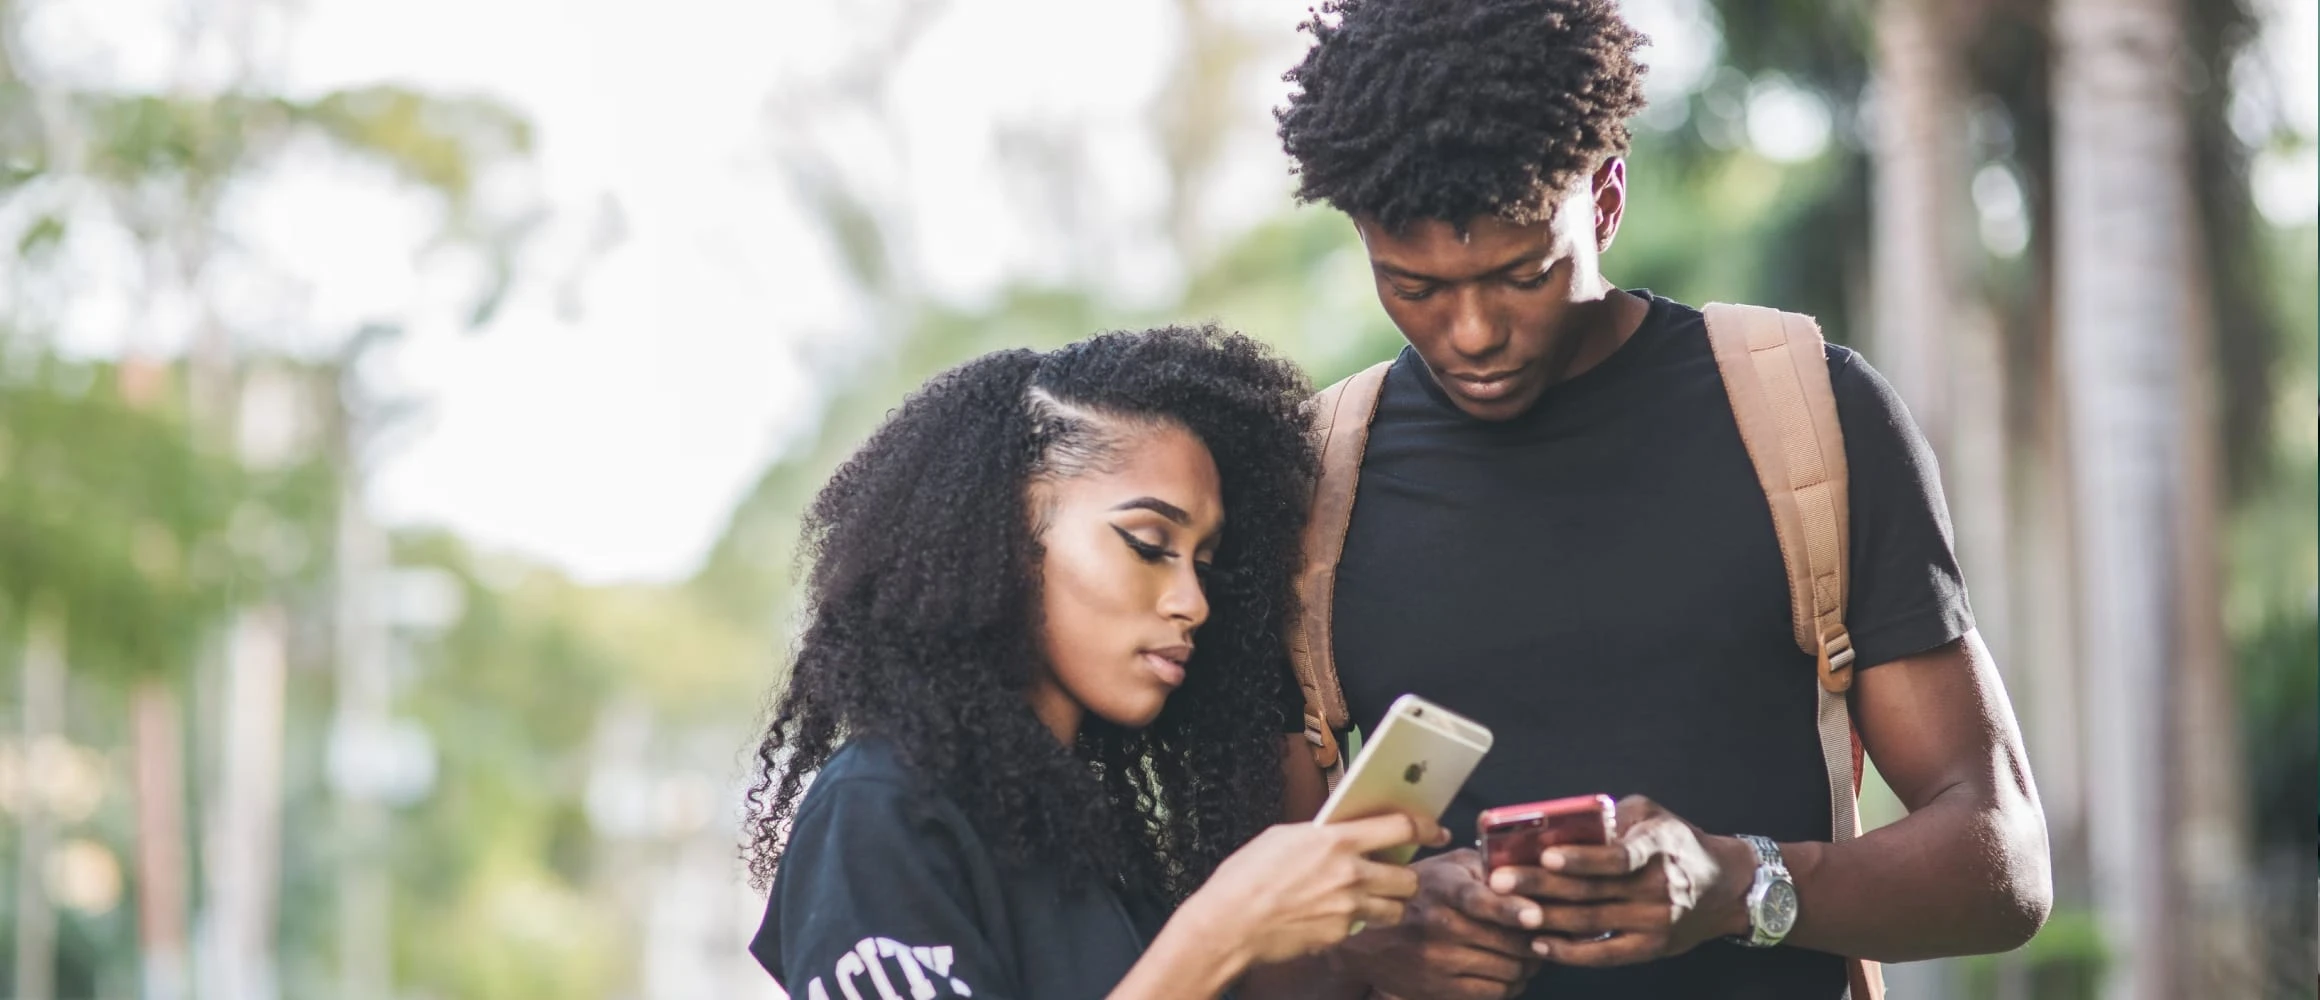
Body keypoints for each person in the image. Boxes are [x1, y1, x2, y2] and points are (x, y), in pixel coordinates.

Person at [1261, 2, 2055, 998]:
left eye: (1519, 274)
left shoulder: (1805, 412)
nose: (1469, 332)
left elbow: (2003, 863)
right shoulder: (1314, 488)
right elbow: (1243, 930)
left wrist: (1741, 884)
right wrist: (1365, 945)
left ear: (1603, 199)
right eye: (1411, 284)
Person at [742, 327, 1446, 1000]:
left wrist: (1398, 935)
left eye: (1205, 563)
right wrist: (1215, 934)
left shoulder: (1079, 826)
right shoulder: (878, 807)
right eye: (1147, 543)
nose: (1193, 602)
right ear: (1010, 540)